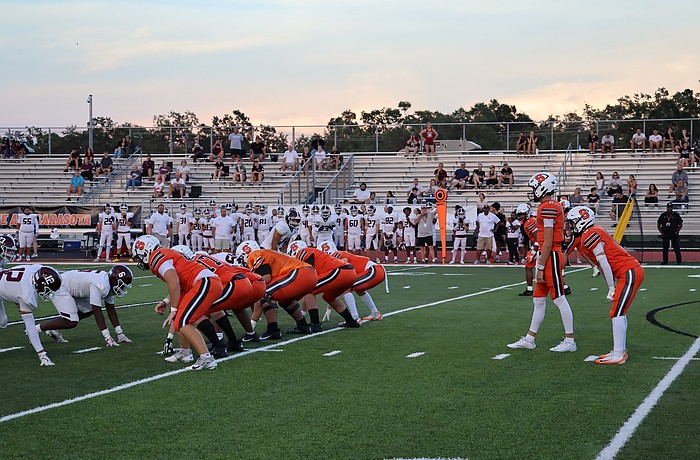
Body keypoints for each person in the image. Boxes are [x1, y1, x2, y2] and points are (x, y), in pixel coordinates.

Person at [507, 172, 576, 353]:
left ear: (542, 187)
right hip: (548, 254)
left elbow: (547, 240)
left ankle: (570, 340)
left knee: (559, 298)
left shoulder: (548, 206)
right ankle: (530, 339)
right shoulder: (548, 205)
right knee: (538, 299)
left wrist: (539, 266)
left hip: (551, 255)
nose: (533, 191)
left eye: (534, 187)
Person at [566, 206, 644, 364]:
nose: (571, 226)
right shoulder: (588, 233)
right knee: (619, 311)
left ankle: (619, 354)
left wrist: (611, 288)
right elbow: (604, 265)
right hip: (625, 272)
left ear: (582, 221)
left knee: (616, 312)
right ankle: (619, 350)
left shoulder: (590, 234)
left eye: (573, 223)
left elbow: (604, 263)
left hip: (628, 271)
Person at [132, 235, 222, 370]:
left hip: (204, 282)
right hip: (202, 283)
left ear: (145, 252)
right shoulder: (162, 254)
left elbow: (174, 281)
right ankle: (185, 352)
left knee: (182, 321)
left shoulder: (156, 256)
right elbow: (179, 283)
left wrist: (173, 309)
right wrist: (167, 301)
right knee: (180, 318)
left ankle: (206, 358)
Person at [235, 240, 316, 339]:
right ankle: (303, 325)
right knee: (284, 299)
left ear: (245, 253)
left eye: (241, 259)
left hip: (300, 272)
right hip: (308, 274)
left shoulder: (255, 254)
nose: (242, 263)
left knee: (264, 293)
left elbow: (266, 278)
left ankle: (273, 330)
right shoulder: (266, 253)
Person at [40, 266, 134, 347]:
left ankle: (54, 329)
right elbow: (97, 310)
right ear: (115, 280)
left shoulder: (107, 283)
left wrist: (120, 333)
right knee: (71, 321)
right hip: (60, 286)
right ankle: (35, 329)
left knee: (88, 309)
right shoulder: (101, 284)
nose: (122, 288)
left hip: (72, 286)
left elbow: (110, 309)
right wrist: (107, 336)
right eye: (122, 285)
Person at [288, 241, 361, 331]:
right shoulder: (314, 254)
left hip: (340, 271)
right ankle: (351, 321)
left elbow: (307, 273)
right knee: (328, 297)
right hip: (349, 272)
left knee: (309, 289)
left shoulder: (303, 253)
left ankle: (315, 324)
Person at [0, 263, 63, 366]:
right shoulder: (26, 293)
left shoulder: (36, 269)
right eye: (47, 288)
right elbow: (30, 326)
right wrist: (41, 353)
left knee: (2, 322)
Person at [322, 242, 385, 323]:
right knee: (359, 290)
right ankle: (376, 314)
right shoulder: (337, 254)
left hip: (373, 270)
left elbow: (344, 262)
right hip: (375, 270)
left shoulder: (336, 255)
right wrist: (329, 306)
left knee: (346, 288)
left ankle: (354, 317)